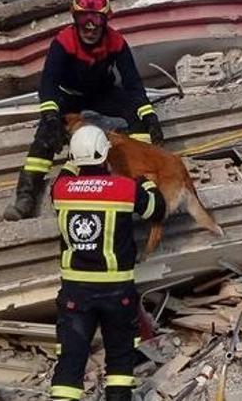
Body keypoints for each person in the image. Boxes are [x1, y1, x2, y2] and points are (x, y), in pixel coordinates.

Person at [5, 0, 164, 221]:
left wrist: (149, 115)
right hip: (69, 96)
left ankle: (144, 180)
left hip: (104, 93)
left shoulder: (116, 41)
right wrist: (50, 117)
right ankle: (25, 197)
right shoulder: (63, 42)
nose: (90, 28)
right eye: (84, 21)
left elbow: (132, 82)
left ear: (105, 21)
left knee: (139, 121)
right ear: (75, 19)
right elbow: (48, 83)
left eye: (96, 21)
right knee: (45, 137)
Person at [48, 125, 166, 401]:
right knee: (120, 359)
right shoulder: (124, 189)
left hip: (75, 293)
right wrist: (144, 181)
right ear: (105, 156)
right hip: (117, 292)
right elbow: (156, 209)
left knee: (70, 361)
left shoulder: (62, 190)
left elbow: (65, 174)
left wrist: (72, 162)